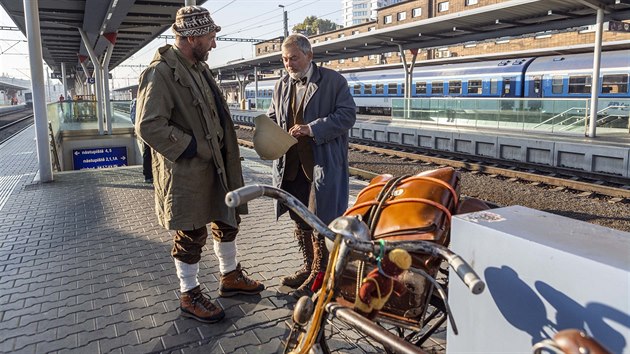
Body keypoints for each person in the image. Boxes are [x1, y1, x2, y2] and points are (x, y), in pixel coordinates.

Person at [135, 5, 264, 324]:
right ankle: (189, 294)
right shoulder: (161, 72)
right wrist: (193, 146)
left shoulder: (198, 67)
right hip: (187, 170)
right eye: (210, 37)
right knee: (190, 233)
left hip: (216, 165)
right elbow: (148, 125)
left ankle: (230, 276)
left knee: (227, 218)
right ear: (191, 37)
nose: (214, 44)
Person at [267, 33, 357, 298]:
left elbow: (347, 115)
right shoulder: (282, 84)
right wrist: (268, 131)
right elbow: (274, 116)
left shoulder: (333, 81)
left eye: (294, 57)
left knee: (320, 221)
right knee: (299, 217)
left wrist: (311, 128)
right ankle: (309, 268)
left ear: (309, 55)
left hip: (321, 166)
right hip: (290, 166)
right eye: (285, 59)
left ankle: (321, 276)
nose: (289, 63)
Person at [129, 98, 153, 183]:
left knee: (147, 152)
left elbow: (133, 118)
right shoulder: (146, 100)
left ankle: (148, 175)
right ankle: (149, 175)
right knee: (149, 153)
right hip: (149, 130)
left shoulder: (135, 101)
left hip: (143, 130)